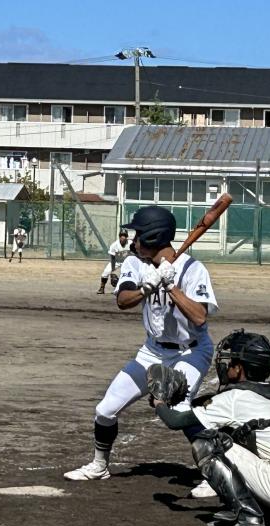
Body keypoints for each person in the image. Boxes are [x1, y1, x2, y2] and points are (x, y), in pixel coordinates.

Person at [64, 206, 218, 497]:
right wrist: (148, 287)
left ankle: (214, 474)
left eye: (138, 235)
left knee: (179, 408)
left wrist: (171, 286)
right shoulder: (135, 264)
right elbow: (123, 300)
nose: (133, 240)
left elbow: (200, 317)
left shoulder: (192, 269)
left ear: (153, 237)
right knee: (105, 410)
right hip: (152, 351)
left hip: (191, 352)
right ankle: (99, 466)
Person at [149, 330, 270, 526]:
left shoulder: (234, 398)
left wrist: (159, 402)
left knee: (209, 442)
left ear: (239, 369)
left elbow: (175, 421)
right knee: (242, 434)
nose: (226, 365)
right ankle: (269, 504)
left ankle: (247, 514)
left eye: (230, 362)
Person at [97, 229, 131, 294]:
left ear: (127, 237)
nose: (123, 237)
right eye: (121, 235)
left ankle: (128, 288)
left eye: (124, 235)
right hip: (116, 261)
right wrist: (113, 270)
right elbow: (112, 258)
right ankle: (102, 288)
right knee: (105, 272)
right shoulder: (114, 245)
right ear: (119, 236)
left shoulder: (130, 243)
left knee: (127, 274)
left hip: (127, 262)